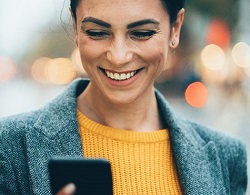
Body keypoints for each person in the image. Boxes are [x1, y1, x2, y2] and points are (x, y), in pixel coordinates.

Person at [0, 0, 247, 194]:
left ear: (175, 28)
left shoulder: (227, 157)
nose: (118, 56)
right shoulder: (10, 147)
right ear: (76, 26)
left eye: (142, 33)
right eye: (97, 32)